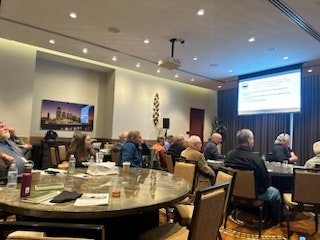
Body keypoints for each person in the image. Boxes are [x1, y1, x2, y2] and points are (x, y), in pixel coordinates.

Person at [224, 129, 282, 226]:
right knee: (276, 193)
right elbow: (266, 182)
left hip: (234, 193)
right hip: (255, 195)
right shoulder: (256, 159)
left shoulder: (229, 155)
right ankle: (275, 221)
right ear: (249, 141)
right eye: (253, 139)